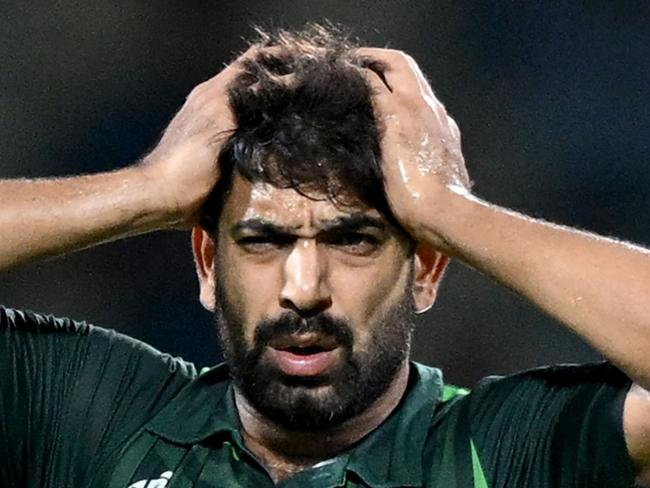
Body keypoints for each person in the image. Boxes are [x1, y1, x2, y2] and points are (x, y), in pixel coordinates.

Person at [0, 26, 648, 488]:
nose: (303, 289)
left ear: (425, 269)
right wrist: (148, 189)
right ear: (206, 264)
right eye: (263, 241)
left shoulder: (507, 448)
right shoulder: (96, 416)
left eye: (353, 240)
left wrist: (448, 210)